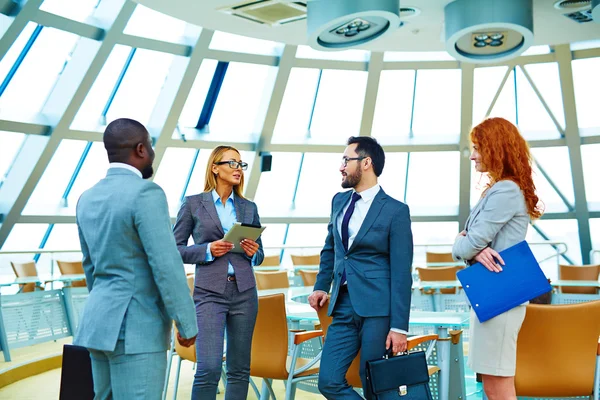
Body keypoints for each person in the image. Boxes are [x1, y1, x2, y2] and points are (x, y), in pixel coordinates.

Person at [75, 118, 198, 400]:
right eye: (151, 146)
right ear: (141, 149)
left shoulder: (87, 198)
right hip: (137, 329)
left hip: (98, 322)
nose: (152, 152)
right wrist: (186, 323)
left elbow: (90, 267)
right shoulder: (146, 193)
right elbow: (166, 266)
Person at [308, 136, 414, 399]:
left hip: (378, 310)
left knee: (373, 384)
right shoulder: (339, 201)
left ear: (366, 163)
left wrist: (399, 327)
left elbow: (402, 273)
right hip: (342, 306)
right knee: (329, 381)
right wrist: (321, 286)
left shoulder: (395, 211)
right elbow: (331, 248)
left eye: (346, 160)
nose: (341, 167)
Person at [453, 117, 543, 400]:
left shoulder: (505, 190)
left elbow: (469, 244)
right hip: (495, 297)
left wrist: (465, 242)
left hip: (499, 298)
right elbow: (468, 244)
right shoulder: (502, 188)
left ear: (496, 148)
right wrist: (467, 243)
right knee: (493, 381)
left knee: (498, 383)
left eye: (478, 147)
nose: (473, 155)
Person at [173, 145, 264, 399]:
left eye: (240, 164)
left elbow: (259, 256)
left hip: (245, 292)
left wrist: (251, 250)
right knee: (209, 367)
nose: (238, 169)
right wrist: (208, 250)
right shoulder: (193, 204)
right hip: (209, 293)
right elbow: (175, 250)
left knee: (239, 369)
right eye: (232, 163)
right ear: (215, 168)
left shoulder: (248, 207)